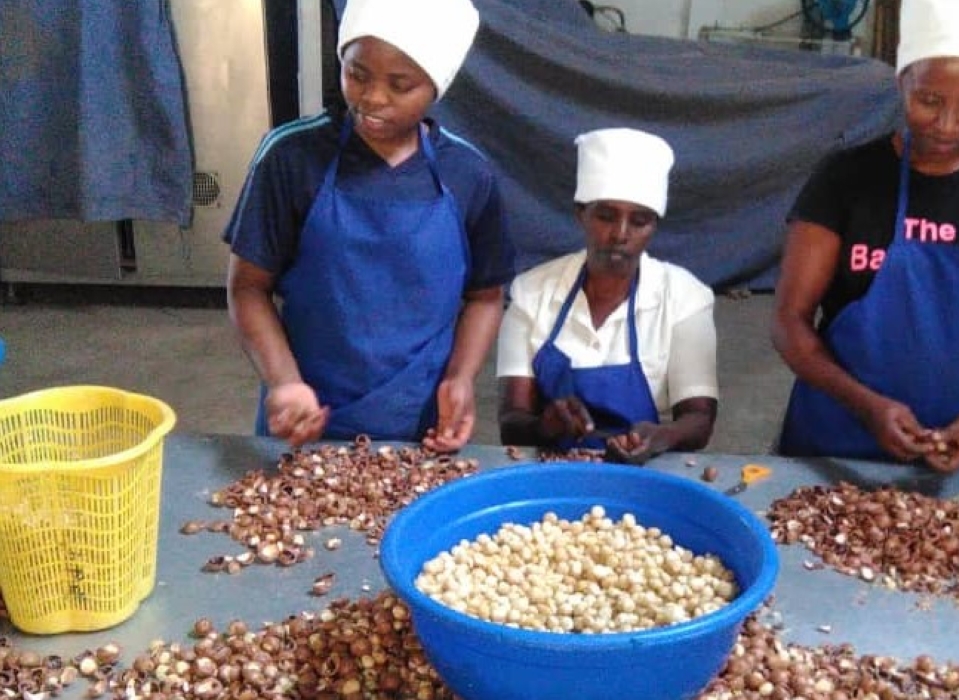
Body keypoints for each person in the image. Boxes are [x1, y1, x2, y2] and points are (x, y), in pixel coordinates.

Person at [771, 0, 959, 472]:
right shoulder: (846, 178)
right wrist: (865, 405)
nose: (948, 124)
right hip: (835, 439)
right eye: (928, 100)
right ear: (901, 81)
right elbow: (790, 320)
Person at [224, 0, 514, 451]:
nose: (373, 98)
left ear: (437, 86)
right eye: (357, 74)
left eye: (401, 85)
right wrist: (283, 381)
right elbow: (248, 287)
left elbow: (486, 296)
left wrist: (460, 378)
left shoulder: (467, 175)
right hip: (306, 414)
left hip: (422, 421)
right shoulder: (292, 157)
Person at [496, 128, 718, 464]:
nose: (620, 234)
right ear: (580, 213)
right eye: (605, 216)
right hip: (549, 471)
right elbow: (512, 421)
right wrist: (545, 427)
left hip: (644, 469)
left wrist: (662, 437)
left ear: (654, 226)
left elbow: (699, 420)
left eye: (639, 221)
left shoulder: (685, 297)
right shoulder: (532, 292)